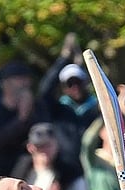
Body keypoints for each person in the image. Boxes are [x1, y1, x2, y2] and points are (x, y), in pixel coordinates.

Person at [38, 33, 99, 176]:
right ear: (64, 87)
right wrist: (64, 58)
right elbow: (44, 91)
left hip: (93, 172)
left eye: (78, 81)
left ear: (85, 83)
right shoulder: (59, 109)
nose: (75, 87)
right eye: (70, 83)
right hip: (65, 174)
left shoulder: (96, 108)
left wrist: (88, 61)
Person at [0, 60, 49, 184]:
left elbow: (46, 135)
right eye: (19, 78)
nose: (25, 83)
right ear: (4, 83)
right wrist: (21, 118)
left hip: (31, 175)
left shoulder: (38, 107)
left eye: (27, 79)